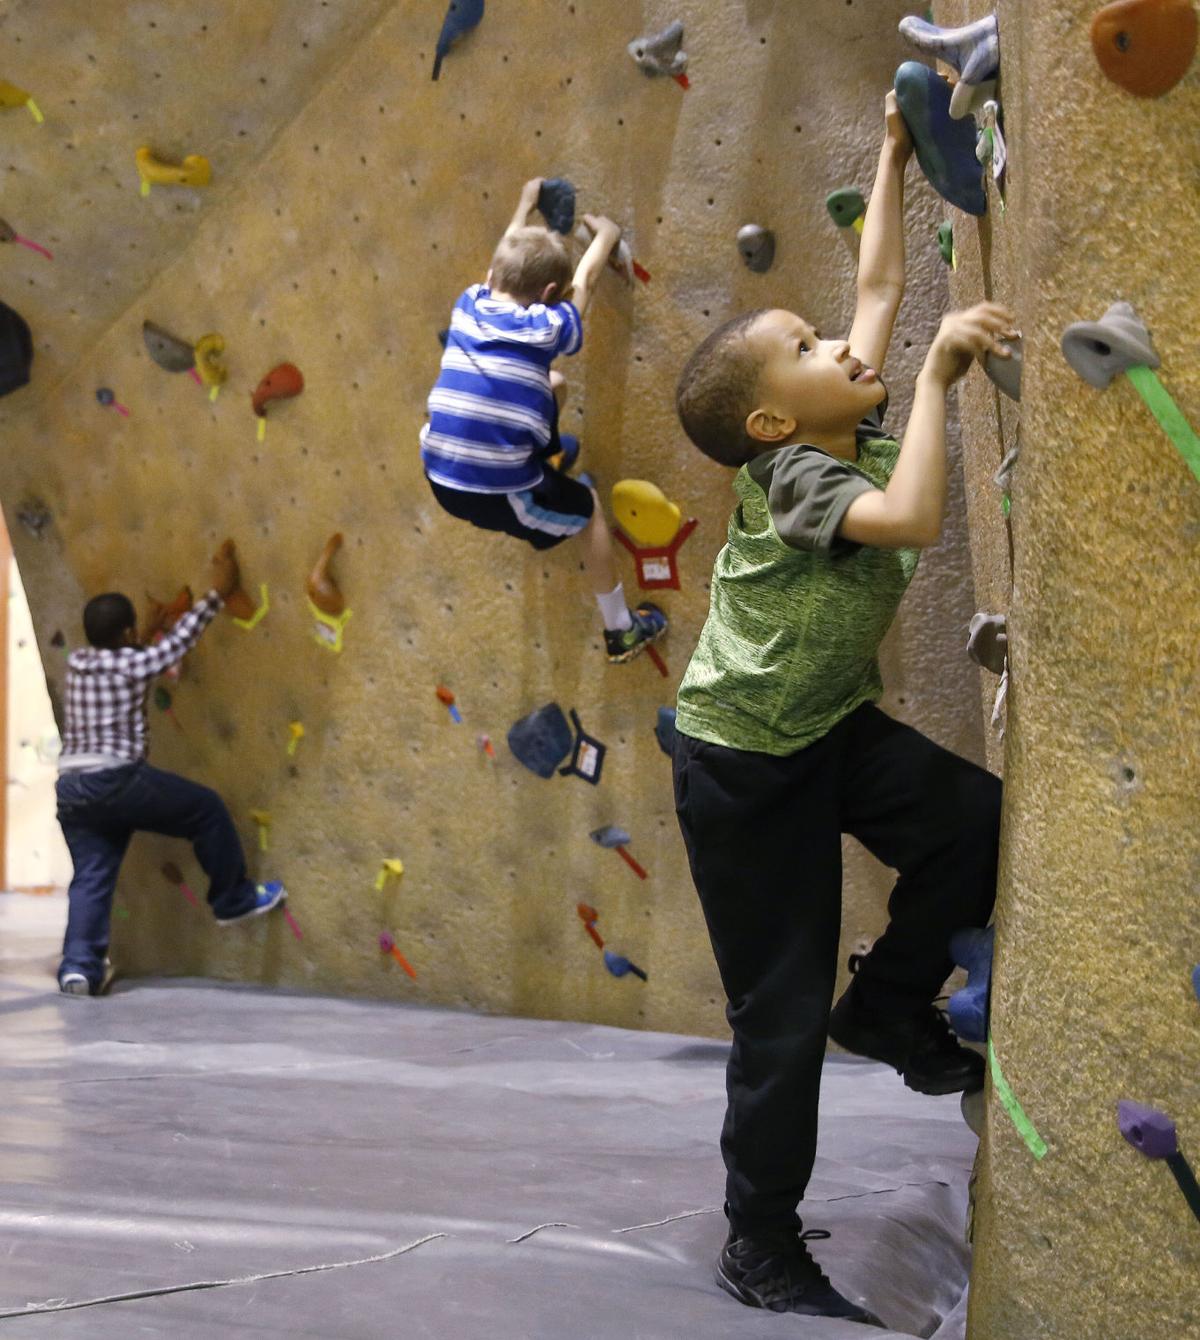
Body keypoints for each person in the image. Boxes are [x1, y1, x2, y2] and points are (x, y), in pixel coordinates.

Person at [671, 91, 1013, 1323]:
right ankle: (758, 1243)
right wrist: (939, 374)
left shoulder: (827, 416)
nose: (845, 344)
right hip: (743, 762)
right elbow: (911, 520)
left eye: (825, 336)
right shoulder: (801, 474)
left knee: (973, 821)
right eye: (814, 351)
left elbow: (873, 290)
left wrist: (889, 151)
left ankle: (887, 1002)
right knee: (775, 1013)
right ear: (775, 421)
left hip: (820, 727)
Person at [421, 177, 667, 664]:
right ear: (550, 294)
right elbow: (589, 280)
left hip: (438, 465)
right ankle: (621, 630)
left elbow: (501, 256)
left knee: (552, 385)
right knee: (589, 509)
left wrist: (524, 202)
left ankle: (542, 463)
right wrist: (605, 236)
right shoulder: (548, 325)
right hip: (484, 491)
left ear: (493, 278)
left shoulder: (470, 302)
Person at [55, 540, 287, 997]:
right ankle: (232, 898)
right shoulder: (134, 662)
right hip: (116, 780)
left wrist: (143, 628)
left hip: (72, 791)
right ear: (125, 634)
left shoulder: (78, 665)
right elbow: (179, 642)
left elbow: (129, 654)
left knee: (92, 876)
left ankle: (78, 969)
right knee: (205, 810)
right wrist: (217, 594)